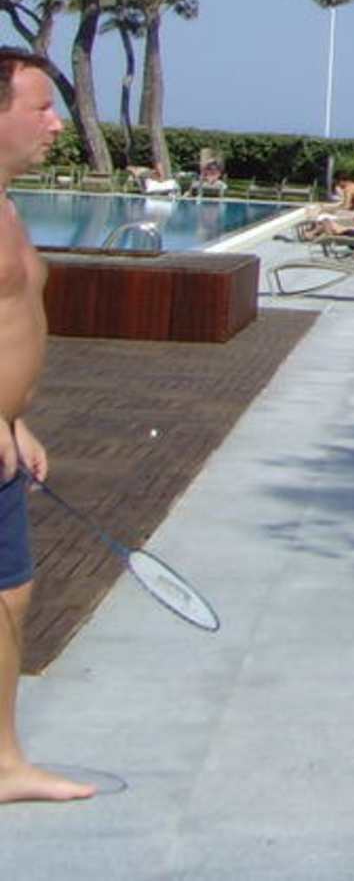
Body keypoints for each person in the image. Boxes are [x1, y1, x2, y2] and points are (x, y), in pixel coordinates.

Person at [0, 48, 98, 803]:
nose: (56, 124)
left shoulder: (6, 206)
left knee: (11, 596)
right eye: (41, 107)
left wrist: (15, 421)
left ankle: (3, 765)